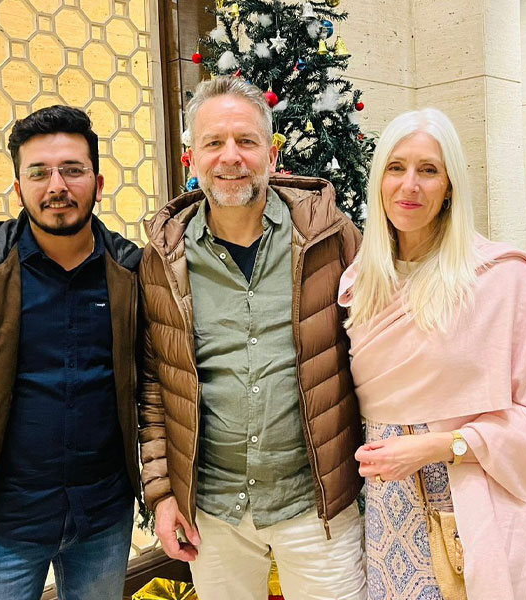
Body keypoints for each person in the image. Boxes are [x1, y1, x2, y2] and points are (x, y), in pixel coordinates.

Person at [338, 109, 526, 600]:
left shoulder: (502, 279)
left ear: (450, 186)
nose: (410, 185)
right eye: (396, 168)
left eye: (428, 170)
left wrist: (440, 446)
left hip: (477, 506)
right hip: (388, 511)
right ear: (379, 181)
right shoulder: (360, 285)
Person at [138, 76, 367, 600]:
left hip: (315, 505)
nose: (230, 157)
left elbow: (377, 352)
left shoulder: (330, 237)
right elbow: (155, 386)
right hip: (213, 514)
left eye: (246, 140)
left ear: (272, 153)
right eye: (213, 143)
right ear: (191, 157)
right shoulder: (163, 259)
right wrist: (163, 495)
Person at [0, 105, 142, 600]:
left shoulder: (131, 274)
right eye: (39, 173)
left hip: (102, 518)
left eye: (72, 170)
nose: (56, 186)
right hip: (3, 521)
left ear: (99, 183)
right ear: (19, 188)